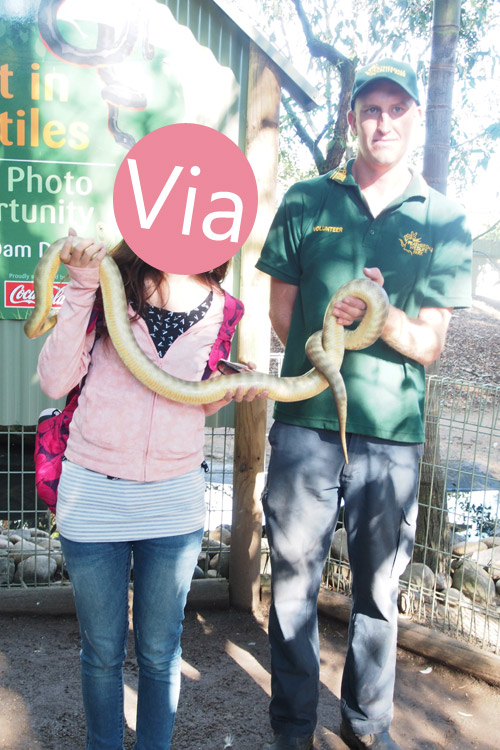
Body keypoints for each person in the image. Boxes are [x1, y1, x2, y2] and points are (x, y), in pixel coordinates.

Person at [255, 58, 472, 750]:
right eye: (369, 109)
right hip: (305, 427)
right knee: (292, 582)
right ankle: (291, 729)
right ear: (352, 119)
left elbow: (431, 344)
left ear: (414, 119)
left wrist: (379, 318)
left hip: (393, 437)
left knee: (379, 593)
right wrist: (331, 343)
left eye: (396, 109)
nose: (382, 122)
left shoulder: (444, 219)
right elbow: (282, 312)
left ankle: (365, 728)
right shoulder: (306, 200)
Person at [37, 229, 262, 750]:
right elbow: (54, 380)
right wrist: (79, 286)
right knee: (101, 652)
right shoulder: (105, 283)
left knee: (161, 652)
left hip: (172, 502)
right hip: (94, 496)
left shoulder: (224, 307)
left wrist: (230, 390)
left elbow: (197, 401)